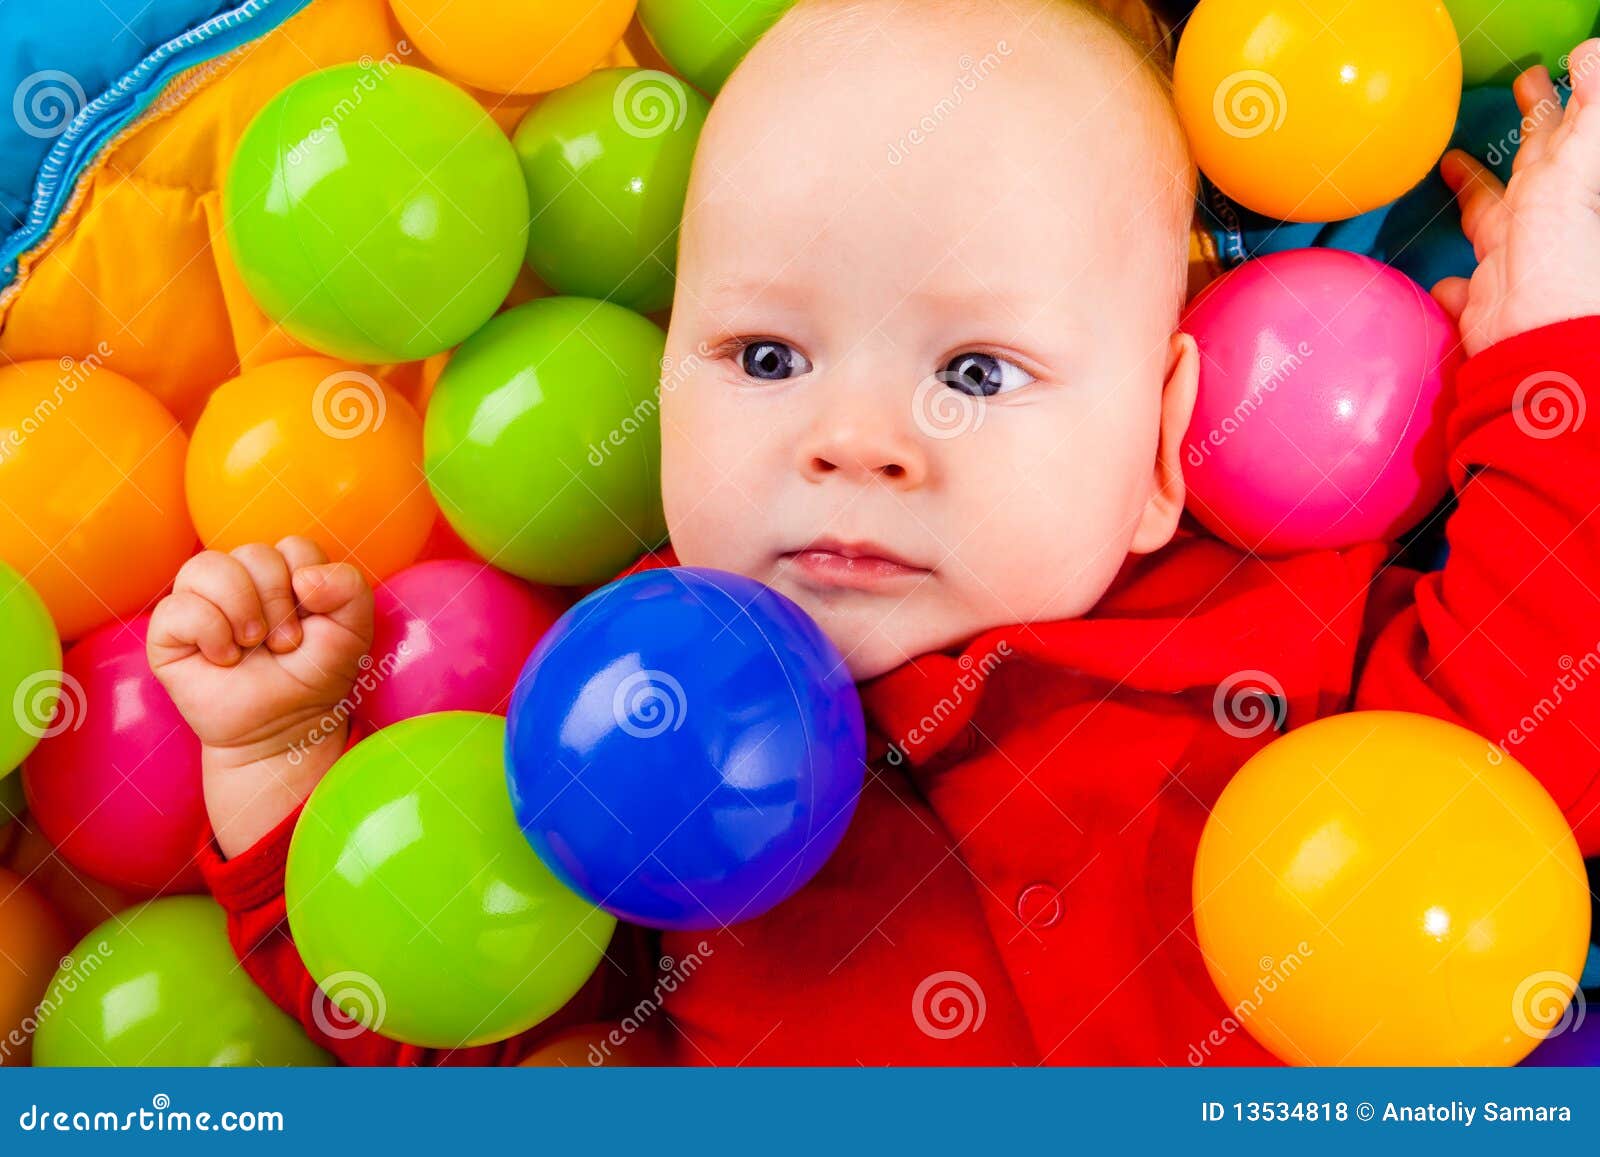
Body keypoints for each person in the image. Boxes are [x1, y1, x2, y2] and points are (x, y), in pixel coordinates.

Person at [150, 0, 1600, 1064]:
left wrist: (1554, 334)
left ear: (1165, 446)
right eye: (768, 356)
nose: (851, 439)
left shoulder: (1264, 629)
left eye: (975, 372)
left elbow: (1543, 719)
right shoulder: (614, 730)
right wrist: (282, 758)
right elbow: (465, 1017)